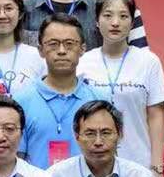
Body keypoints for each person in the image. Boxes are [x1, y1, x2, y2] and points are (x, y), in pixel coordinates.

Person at [77, 0, 164, 177]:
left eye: (123, 16)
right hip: (90, 163)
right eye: (108, 15)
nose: (115, 22)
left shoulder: (148, 61)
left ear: (132, 22)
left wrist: (157, 168)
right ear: (97, 21)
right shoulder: (83, 62)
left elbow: (156, 117)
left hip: (138, 163)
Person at [15, 13, 102, 169]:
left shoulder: (99, 100)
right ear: (41, 50)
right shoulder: (21, 101)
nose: (61, 51)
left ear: (82, 49)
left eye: (69, 44)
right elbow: (16, 159)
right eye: (53, 44)